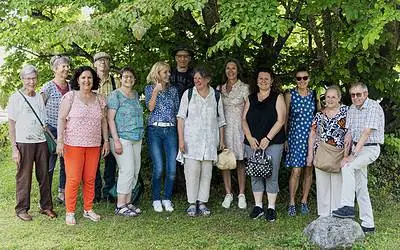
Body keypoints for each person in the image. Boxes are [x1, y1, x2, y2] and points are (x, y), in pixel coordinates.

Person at [57, 66, 110, 225]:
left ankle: (88, 209)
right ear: (78, 80)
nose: (87, 80)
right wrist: (60, 141)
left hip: (94, 145)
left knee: (90, 178)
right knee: (73, 179)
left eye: (90, 78)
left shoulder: (100, 99)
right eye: (83, 78)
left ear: (94, 81)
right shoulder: (70, 97)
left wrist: (106, 141)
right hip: (73, 145)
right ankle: (70, 212)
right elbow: (61, 119)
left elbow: (104, 122)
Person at [332, 82, 384, 234]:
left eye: (359, 94)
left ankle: (347, 206)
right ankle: (368, 224)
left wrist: (352, 157)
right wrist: (347, 153)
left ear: (366, 94)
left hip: (370, 148)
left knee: (348, 166)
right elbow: (349, 134)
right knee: (361, 187)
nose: (355, 97)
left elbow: (366, 133)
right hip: (357, 147)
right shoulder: (352, 109)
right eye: (353, 95)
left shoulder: (373, 106)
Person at [8, 65, 56, 221]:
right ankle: (22, 209)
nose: (31, 81)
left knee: (44, 175)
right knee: (24, 176)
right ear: (22, 79)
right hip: (23, 142)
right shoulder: (16, 97)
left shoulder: (39, 97)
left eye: (34, 78)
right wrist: (14, 148)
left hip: (41, 141)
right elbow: (12, 124)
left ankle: (46, 206)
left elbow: (43, 120)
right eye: (28, 78)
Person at [177, 67, 226, 217]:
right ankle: (192, 203)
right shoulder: (188, 94)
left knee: (206, 174)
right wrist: (181, 140)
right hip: (191, 140)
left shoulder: (216, 95)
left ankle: (202, 202)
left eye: (200, 78)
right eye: (195, 79)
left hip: (210, 141)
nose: (197, 81)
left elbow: (221, 120)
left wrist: (222, 140)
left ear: (208, 79)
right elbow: (180, 118)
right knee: (192, 173)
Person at [242, 68, 286, 222]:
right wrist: (249, 136)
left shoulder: (278, 97)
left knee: (271, 174)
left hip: (273, 142)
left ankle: (271, 208)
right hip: (252, 143)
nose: (263, 81)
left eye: (266, 78)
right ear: (257, 80)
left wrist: (268, 138)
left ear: (272, 81)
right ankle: (258, 206)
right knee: (255, 173)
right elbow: (243, 120)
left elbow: (281, 120)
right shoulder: (250, 98)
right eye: (260, 78)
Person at [306, 85, 348, 217]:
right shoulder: (319, 115)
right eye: (327, 97)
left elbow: (350, 133)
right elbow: (312, 135)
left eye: (333, 97)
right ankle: (324, 214)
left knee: (337, 185)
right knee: (322, 185)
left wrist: (347, 155)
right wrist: (310, 155)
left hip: (339, 154)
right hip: (321, 153)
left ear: (339, 98)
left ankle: (336, 213)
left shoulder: (347, 112)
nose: (330, 100)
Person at [108, 67, 144, 216]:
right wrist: (116, 140)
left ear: (134, 80)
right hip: (121, 138)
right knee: (127, 170)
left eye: (131, 77)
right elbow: (110, 119)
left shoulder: (135, 94)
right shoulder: (115, 95)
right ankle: (120, 204)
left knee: (135, 170)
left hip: (137, 137)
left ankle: (128, 202)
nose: (128, 79)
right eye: (125, 76)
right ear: (120, 79)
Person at [145, 62, 180, 212]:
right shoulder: (149, 89)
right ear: (157, 73)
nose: (168, 75)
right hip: (155, 130)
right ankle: (155, 198)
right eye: (164, 72)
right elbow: (150, 108)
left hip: (171, 130)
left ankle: (166, 197)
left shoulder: (173, 90)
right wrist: (155, 92)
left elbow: (178, 113)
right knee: (159, 168)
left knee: (172, 168)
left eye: (169, 72)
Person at [285, 67, 319, 216]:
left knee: (309, 169)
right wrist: (285, 137)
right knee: (296, 170)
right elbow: (285, 117)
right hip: (295, 136)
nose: (302, 81)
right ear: (295, 80)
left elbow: (319, 115)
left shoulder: (314, 95)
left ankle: (304, 201)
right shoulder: (290, 95)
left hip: (311, 137)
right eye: (299, 78)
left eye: (305, 78)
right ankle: (292, 202)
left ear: (309, 79)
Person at [219, 59, 249, 209]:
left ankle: (242, 194)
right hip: (225, 129)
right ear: (225, 71)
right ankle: (228, 194)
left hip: (240, 130)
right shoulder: (220, 89)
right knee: (226, 162)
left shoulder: (245, 88)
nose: (231, 71)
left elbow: (250, 111)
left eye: (233, 68)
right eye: (228, 68)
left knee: (240, 162)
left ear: (238, 70)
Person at [40, 55, 71, 203]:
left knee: (66, 163)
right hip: (51, 130)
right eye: (63, 66)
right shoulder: (48, 87)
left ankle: (62, 193)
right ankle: (45, 197)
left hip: (68, 130)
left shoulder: (72, 86)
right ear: (55, 69)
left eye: (67, 66)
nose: (66, 68)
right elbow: (39, 108)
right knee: (49, 164)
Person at [93, 52, 120, 202]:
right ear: (94, 64)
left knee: (111, 162)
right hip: (94, 127)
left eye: (105, 60)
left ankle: (109, 192)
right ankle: (95, 193)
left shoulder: (116, 82)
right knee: (93, 162)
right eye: (99, 61)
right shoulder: (90, 81)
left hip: (111, 126)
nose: (103, 63)